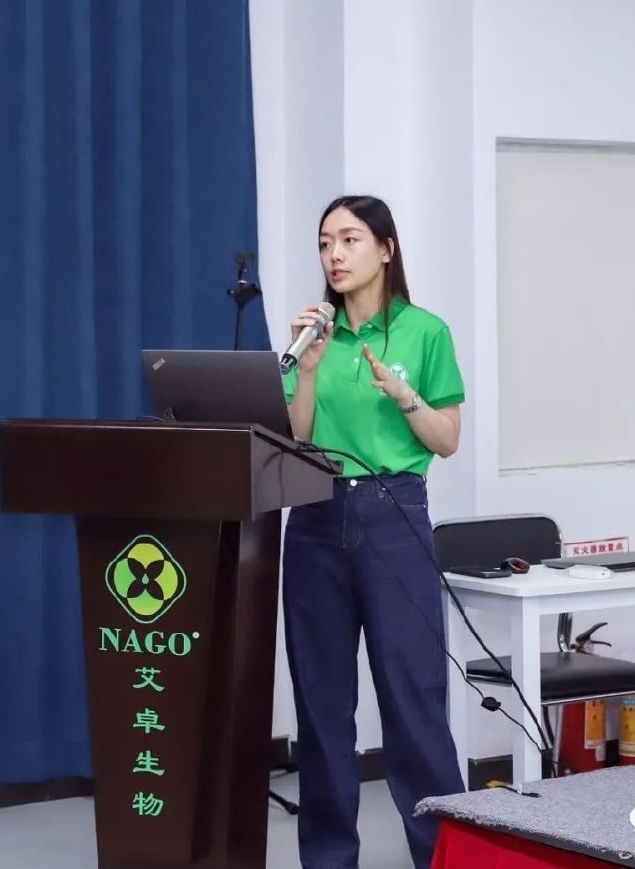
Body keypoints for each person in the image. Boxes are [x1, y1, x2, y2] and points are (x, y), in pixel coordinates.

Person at [280, 195, 467, 869]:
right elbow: (296, 438)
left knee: (413, 700)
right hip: (315, 518)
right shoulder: (314, 337)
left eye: (350, 239)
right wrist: (306, 368)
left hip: (394, 516)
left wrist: (406, 397)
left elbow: (446, 440)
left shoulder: (425, 332)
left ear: (386, 249)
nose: (334, 254)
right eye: (324, 242)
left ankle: (443, 857)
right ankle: (328, 859)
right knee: (322, 707)